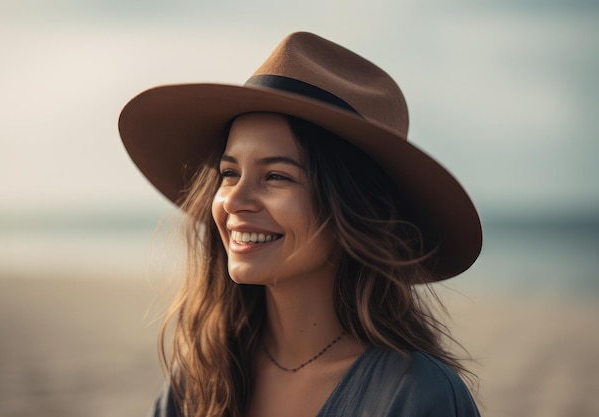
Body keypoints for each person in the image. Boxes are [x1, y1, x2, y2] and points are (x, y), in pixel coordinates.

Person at [118, 32, 483, 417]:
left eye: (276, 176)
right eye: (229, 173)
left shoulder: (415, 396)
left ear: (354, 206)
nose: (235, 201)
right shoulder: (200, 378)